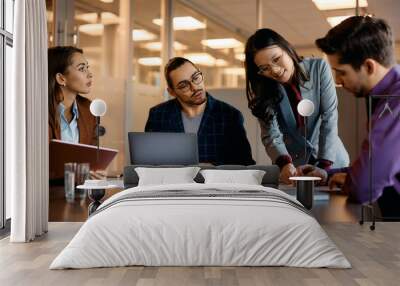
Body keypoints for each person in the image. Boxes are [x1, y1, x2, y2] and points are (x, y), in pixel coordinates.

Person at [302, 16, 400, 217]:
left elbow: (365, 186)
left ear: (369, 67)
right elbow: (374, 165)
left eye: (342, 72)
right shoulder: (386, 95)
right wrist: (327, 175)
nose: (338, 81)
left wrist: (351, 182)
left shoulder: (394, 102)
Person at [244, 28, 349, 184]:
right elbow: (271, 134)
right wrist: (284, 163)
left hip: (331, 161)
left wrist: (324, 165)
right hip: (294, 167)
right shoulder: (264, 88)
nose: (274, 70)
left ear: (287, 49)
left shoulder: (318, 68)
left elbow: (329, 117)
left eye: (276, 59)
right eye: (264, 68)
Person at [145, 57, 255, 166]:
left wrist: (214, 167)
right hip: (172, 182)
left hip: (216, 183)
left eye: (196, 77)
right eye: (184, 85)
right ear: (172, 92)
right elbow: (148, 163)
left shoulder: (230, 115)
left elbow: (245, 164)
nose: (195, 87)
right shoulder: (158, 115)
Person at [48, 46, 96, 145]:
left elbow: (93, 154)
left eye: (87, 67)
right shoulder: (41, 112)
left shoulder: (89, 109)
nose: (90, 74)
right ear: (61, 78)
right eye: (82, 68)